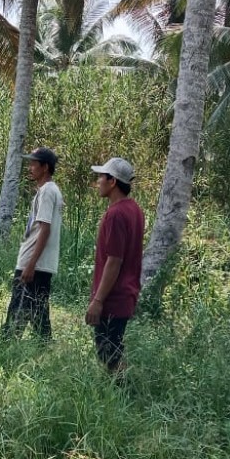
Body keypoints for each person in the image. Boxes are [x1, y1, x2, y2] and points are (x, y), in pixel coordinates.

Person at [85, 157, 145, 377]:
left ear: (113, 182)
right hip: (126, 293)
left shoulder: (116, 214)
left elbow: (114, 260)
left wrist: (98, 300)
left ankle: (126, 390)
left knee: (109, 354)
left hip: (114, 296)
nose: (98, 181)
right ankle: (122, 388)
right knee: (112, 351)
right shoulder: (135, 210)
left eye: (102, 177)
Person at [1, 147, 63, 340]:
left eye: (34, 164)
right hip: (40, 263)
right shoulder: (49, 190)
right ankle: (44, 346)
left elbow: (45, 229)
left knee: (18, 310)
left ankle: (7, 346)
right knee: (39, 312)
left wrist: (30, 264)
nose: (30, 168)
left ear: (45, 167)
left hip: (34, 263)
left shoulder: (47, 192)